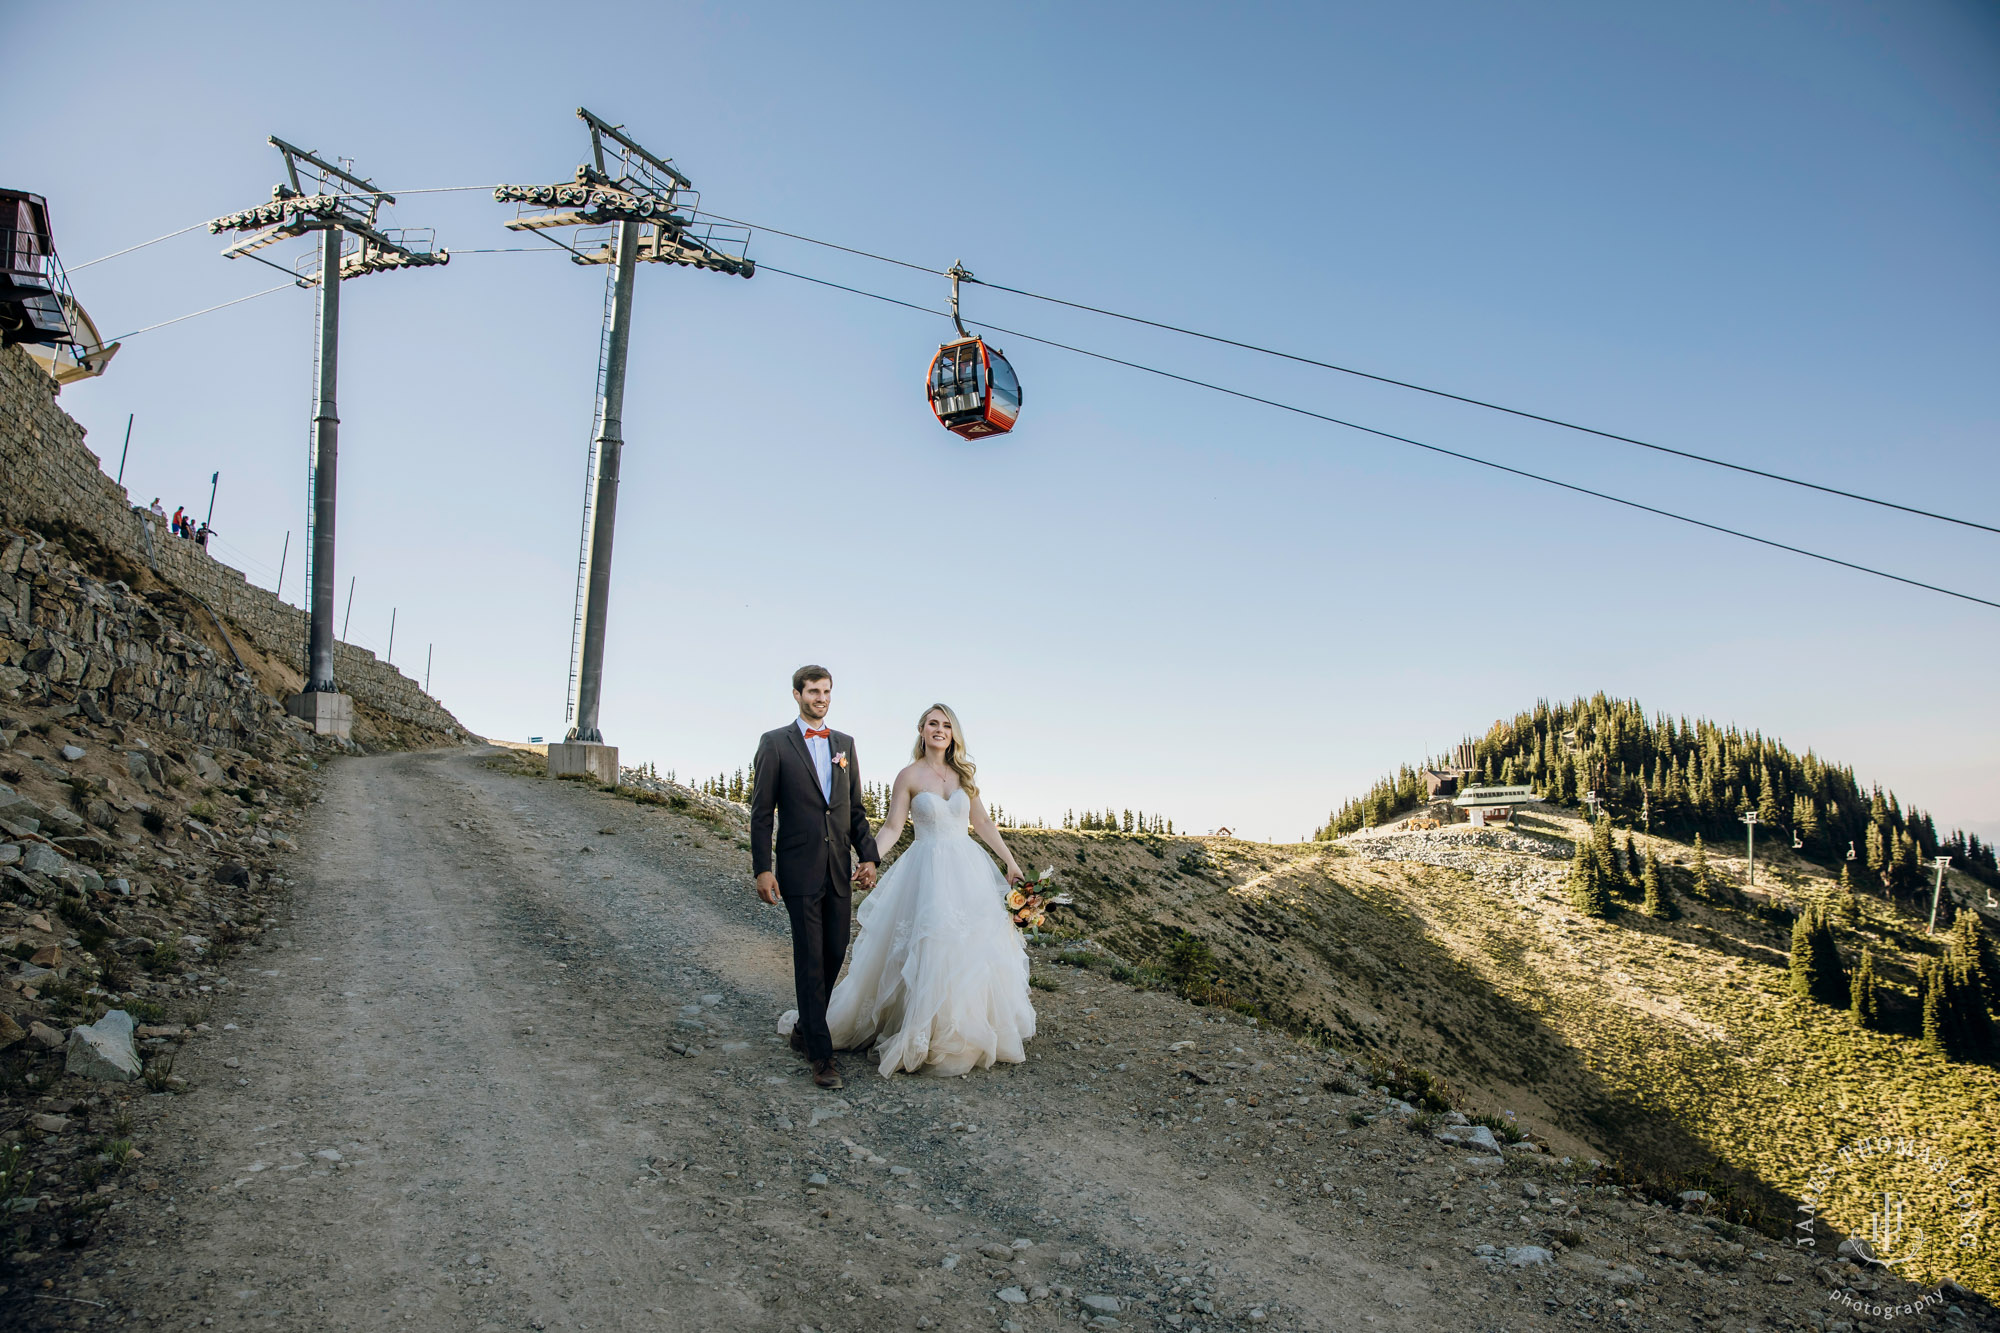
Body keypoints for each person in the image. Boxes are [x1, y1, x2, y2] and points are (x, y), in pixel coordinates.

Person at [819, 702, 1037, 1079]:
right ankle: (920, 1029)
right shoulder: (909, 775)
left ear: (953, 734)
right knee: (929, 944)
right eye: (932, 724)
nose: (939, 730)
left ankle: (961, 1027)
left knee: (969, 948)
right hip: (926, 868)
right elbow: (891, 828)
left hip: (966, 868)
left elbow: (981, 821)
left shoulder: (962, 776)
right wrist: (869, 859)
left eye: (946, 725)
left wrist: (1010, 861)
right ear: (921, 731)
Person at [749, 666, 880, 1090]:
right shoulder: (775, 743)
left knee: (835, 949)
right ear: (796, 694)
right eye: (812, 691)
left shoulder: (845, 745)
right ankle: (821, 1057)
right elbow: (761, 812)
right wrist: (762, 868)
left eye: (826, 691)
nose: (820, 698)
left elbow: (854, 810)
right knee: (810, 958)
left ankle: (806, 1028)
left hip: (838, 867)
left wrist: (870, 857)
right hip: (798, 867)